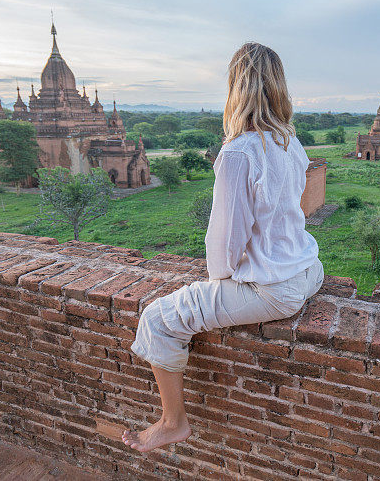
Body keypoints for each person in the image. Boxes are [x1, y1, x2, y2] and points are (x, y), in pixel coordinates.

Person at [122, 42, 324, 453]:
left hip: (274, 288)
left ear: (236, 88)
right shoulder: (290, 142)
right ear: (277, 88)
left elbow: (225, 241)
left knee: (158, 318)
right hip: (308, 271)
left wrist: (216, 287)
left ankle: (172, 421)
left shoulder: (239, 152)